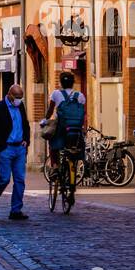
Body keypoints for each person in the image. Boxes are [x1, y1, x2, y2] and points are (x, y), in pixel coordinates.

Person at [0, 83, 30, 220]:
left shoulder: (20, 106)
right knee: (4, 179)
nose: (19, 100)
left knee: (20, 180)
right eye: (17, 97)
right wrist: (2, 146)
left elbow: (25, 124)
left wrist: (26, 140)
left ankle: (16, 210)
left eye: (21, 97)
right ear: (9, 95)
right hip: (6, 148)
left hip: (19, 148)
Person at [42, 71, 86, 206]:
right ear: (73, 82)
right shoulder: (80, 96)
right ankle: (73, 183)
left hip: (62, 129)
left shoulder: (56, 94)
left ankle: (55, 166)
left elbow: (50, 111)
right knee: (74, 151)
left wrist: (45, 120)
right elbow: (82, 113)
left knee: (53, 142)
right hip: (76, 130)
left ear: (61, 82)